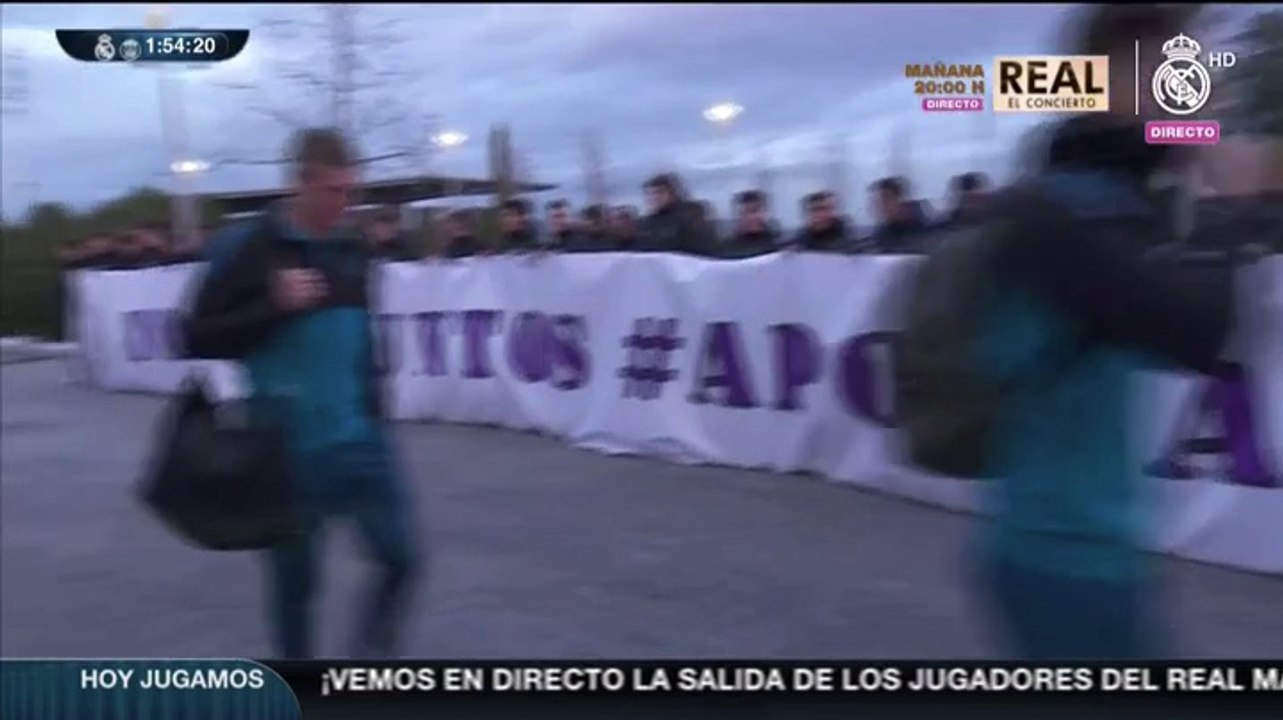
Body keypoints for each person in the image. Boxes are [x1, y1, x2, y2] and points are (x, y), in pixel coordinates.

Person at [968, 3, 1233, 660]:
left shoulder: (1086, 197)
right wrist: (1226, 193)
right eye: (1185, 69)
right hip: (1068, 561)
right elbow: (1199, 332)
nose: (1202, 88)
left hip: (1073, 549)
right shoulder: (1067, 212)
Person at [181, 127, 420, 659]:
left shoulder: (351, 247)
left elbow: (363, 334)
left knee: (402, 561)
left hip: (360, 444)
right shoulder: (247, 248)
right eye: (334, 191)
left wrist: (376, 406)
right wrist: (272, 305)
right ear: (300, 183)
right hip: (286, 453)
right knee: (296, 590)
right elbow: (191, 335)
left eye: (350, 191)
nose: (345, 203)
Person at [638, 173, 708, 255]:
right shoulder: (645, 224)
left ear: (672, 194)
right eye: (649, 194)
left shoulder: (689, 218)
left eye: (660, 192)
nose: (655, 197)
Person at [866, 177, 930, 253]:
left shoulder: (921, 230)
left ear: (900, 200)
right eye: (877, 201)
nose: (881, 205)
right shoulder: (883, 232)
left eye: (885, 199)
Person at [725, 190, 780, 258]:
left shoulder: (778, 245)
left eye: (754, 211)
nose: (751, 217)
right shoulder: (727, 249)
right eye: (745, 212)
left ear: (764, 213)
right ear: (738, 216)